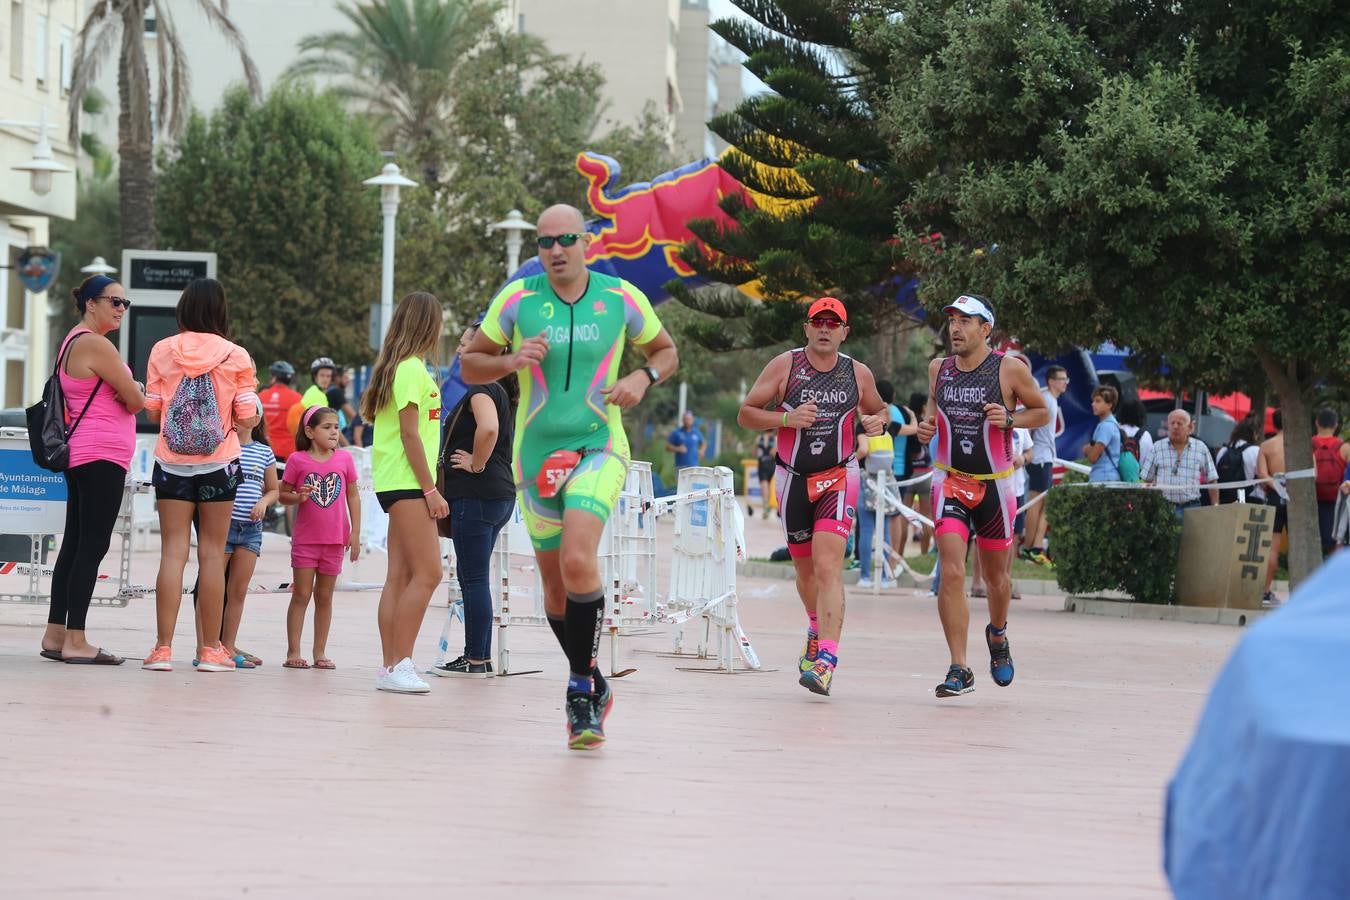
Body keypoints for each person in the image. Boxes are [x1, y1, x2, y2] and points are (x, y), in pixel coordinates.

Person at [461, 203, 678, 749]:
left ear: (587, 243)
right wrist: (510, 362)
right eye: (545, 242)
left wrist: (643, 375)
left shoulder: (620, 297)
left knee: (580, 559)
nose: (556, 250)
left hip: (598, 444)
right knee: (556, 592)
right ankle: (595, 681)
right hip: (534, 456)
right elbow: (470, 365)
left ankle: (580, 690)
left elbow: (665, 350)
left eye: (567, 240)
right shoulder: (518, 301)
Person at [737, 296, 887, 697]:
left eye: (832, 323)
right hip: (793, 479)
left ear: (844, 332)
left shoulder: (857, 373)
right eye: (817, 322)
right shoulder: (785, 366)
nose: (824, 329)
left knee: (827, 566)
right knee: (804, 572)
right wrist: (785, 418)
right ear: (806, 328)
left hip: (839, 475)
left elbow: (880, 411)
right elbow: (746, 413)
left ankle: (826, 662)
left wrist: (876, 421)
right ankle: (815, 627)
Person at [915, 294, 1049, 699]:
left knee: (996, 579)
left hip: (996, 484)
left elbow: (1042, 413)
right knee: (952, 573)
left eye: (965, 321)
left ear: (986, 328)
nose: (955, 328)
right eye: (951, 320)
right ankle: (959, 667)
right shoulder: (938, 369)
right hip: (950, 481)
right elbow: (933, 411)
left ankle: (998, 634)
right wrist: (926, 427)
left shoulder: (1010, 369)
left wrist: (1011, 419)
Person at [141, 278, 259, 673]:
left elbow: (154, 413)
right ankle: (211, 649)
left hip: (171, 463)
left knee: (172, 553)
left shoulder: (162, 350)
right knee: (211, 554)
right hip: (219, 464)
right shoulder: (236, 355)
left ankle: (161, 649)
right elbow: (244, 416)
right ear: (221, 310)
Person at [40, 275, 145, 665]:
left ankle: (55, 634)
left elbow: (131, 393)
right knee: (92, 547)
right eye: (114, 302)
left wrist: (131, 388)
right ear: (91, 304)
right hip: (101, 455)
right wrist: (133, 388)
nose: (121, 309)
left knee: (74, 545)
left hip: (83, 454)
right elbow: (136, 401)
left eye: (124, 303)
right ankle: (76, 640)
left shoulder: (71, 340)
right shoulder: (96, 344)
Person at [361, 292, 447, 694]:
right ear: (429, 325)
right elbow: (411, 434)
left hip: (398, 480)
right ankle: (402, 664)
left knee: (399, 575)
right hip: (410, 482)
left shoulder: (400, 367)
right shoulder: (411, 370)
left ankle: (391, 665)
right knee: (429, 573)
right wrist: (430, 489)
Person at [431, 323, 518, 677]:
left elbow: (489, 429)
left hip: (477, 495)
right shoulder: (500, 388)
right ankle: (478, 655)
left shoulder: (483, 388)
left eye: (466, 344)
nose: (458, 350)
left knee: (474, 578)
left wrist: (475, 463)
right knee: (474, 577)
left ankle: (476, 659)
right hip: (495, 496)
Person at [280, 406, 360, 670]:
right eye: (327, 427)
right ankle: (294, 651)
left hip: (336, 540)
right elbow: (283, 494)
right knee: (301, 594)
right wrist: (298, 496)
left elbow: (352, 495)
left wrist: (355, 533)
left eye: (336, 427)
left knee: (325, 597)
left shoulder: (345, 460)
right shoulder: (297, 460)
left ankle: (320, 653)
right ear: (309, 431)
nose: (334, 432)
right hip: (306, 540)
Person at [219, 409, 278, 668]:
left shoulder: (264, 452)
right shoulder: (223, 447)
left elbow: (274, 489)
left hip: (251, 529)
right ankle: (207, 645)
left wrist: (264, 502)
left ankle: (228, 646)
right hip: (223, 525)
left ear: (256, 419)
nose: (238, 416)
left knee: (238, 592)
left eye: (246, 412)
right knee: (212, 589)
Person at [1138, 408, 1219, 517]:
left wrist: (1215, 506)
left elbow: (1212, 479)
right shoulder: (1157, 447)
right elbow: (1145, 479)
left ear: (1190, 427)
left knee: (1191, 535)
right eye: (1172, 423)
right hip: (1163, 507)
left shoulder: (1200, 447)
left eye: (1180, 423)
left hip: (1192, 507)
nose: (1175, 427)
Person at [1255, 409, 1288, 605]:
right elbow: (1314, 473)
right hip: (1298, 498)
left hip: (1275, 497)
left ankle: (1265, 592)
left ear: (1274, 424)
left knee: (1272, 548)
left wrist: (1277, 486)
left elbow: (1262, 474)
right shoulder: (1303, 444)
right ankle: (1300, 592)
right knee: (1301, 547)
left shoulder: (1266, 445)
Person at [1312, 408, 1349, 555]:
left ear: (1316, 423)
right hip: (1336, 502)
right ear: (1335, 425)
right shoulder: (1344, 447)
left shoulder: (1307, 445)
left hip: (1312, 500)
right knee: (1336, 543)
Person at [902, 392, 935, 555]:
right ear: (923, 406)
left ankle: (898, 556)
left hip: (908, 476)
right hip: (926, 476)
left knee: (903, 516)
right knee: (926, 516)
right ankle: (924, 554)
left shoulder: (908, 424)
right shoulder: (927, 424)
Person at [259, 361, 301, 461]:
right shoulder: (297, 398)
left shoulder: (260, 397)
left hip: (264, 450)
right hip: (288, 451)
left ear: (274, 377)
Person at [1214, 418, 1260, 504]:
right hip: (1249, 500)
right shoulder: (1256, 451)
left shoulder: (1223, 450)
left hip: (1224, 500)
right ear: (1254, 433)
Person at [1083, 385, 1123, 482]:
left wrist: (1087, 449)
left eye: (1098, 401)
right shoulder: (1112, 424)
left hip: (1103, 479)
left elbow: (1093, 457)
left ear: (1109, 405)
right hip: (1107, 477)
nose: (1093, 404)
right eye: (1093, 401)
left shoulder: (1106, 426)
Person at [754, 430, 776, 519]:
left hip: (762, 463)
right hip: (772, 463)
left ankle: (766, 505)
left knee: (764, 485)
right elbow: (775, 453)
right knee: (769, 486)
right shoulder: (775, 439)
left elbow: (755, 453)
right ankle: (768, 506)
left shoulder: (759, 438)